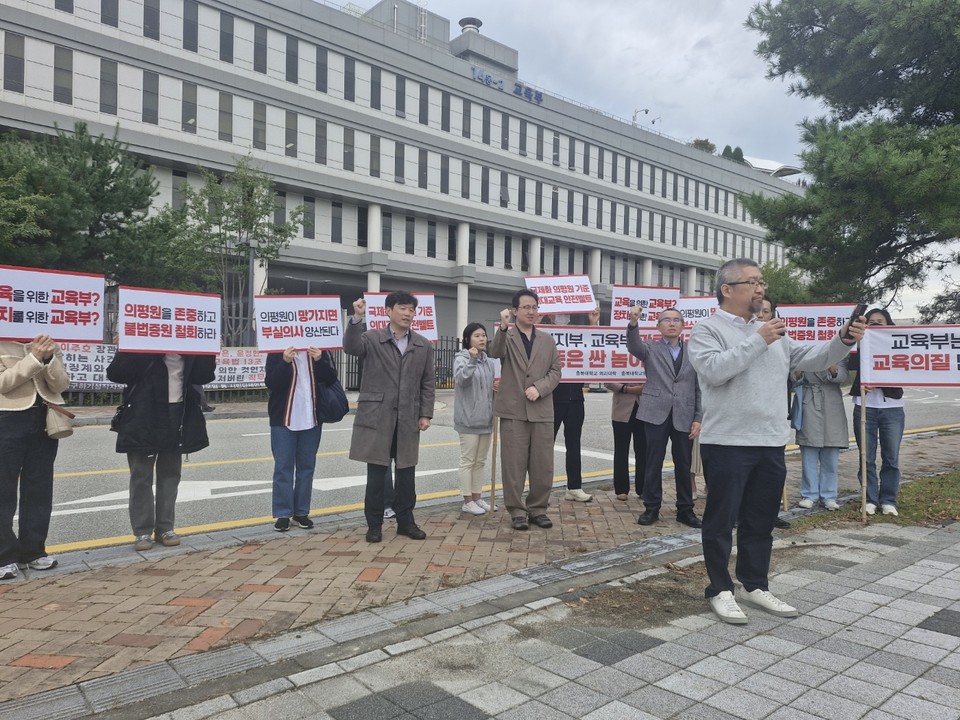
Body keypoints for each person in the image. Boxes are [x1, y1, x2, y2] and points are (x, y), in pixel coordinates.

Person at [688, 258, 863, 624]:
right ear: (727, 289)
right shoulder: (708, 329)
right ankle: (720, 589)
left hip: (770, 440)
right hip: (727, 442)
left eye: (762, 282)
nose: (760, 288)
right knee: (721, 521)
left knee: (760, 519)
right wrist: (758, 339)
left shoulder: (771, 332)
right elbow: (716, 371)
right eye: (752, 282)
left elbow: (813, 358)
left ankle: (754, 584)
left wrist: (842, 339)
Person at [344, 291, 435, 543]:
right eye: (403, 308)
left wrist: (425, 413)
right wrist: (356, 318)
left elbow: (428, 382)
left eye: (411, 309)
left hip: (408, 418)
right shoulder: (372, 338)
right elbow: (351, 347)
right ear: (388, 311)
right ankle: (374, 525)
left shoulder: (422, 344)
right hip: (378, 417)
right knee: (376, 476)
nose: (408, 314)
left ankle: (406, 522)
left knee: (406, 474)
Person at [107, 348, 216, 551]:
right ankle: (142, 532)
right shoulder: (142, 342)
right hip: (143, 414)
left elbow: (204, 376)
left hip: (179, 412)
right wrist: (126, 348)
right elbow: (116, 374)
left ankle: (166, 528)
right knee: (141, 475)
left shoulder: (189, 346)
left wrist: (208, 350)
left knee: (170, 473)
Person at [488, 289, 562, 531]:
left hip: (541, 409)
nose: (531, 312)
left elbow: (555, 372)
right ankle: (517, 511)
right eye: (526, 307)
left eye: (534, 307)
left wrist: (540, 388)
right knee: (513, 465)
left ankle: (538, 509)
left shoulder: (547, 340)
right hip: (513, 411)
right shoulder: (506, 336)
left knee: (543, 464)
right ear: (514, 311)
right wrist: (502, 327)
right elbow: (495, 352)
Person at [626, 306, 703, 528]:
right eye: (666, 320)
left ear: (683, 325)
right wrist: (633, 323)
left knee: (684, 464)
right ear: (658, 326)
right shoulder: (650, 348)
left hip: (685, 414)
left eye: (676, 320)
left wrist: (698, 417)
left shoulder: (694, 352)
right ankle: (651, 508)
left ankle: (685, 510)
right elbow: (634, 345)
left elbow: (699, 388)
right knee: (653, 462)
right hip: (655, 413)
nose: (672, 323)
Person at [0, 334, 70, 578]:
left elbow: (61, 385)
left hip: (44, 419)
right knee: (3, 489)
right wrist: (34, 358)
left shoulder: (49, 343)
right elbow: (3, 383)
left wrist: (49, 357)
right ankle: (4, 556)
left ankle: (34, 551)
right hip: (6, 419)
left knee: (39, 488)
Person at [265, 346, 338, 531]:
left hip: (312, 417)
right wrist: (285, 362)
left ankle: (301, 513)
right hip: (284, 418)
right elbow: (271, 383)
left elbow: (330, 378)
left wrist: (320, 359)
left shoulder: (320, 348)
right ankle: (283, 514)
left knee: (307, 467)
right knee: (283, 467)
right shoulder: (277, 350)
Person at [845, 307, 905, 516]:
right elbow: (849, 366)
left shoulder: (900, 345)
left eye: (881, 321)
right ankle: (869, 499)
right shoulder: (858, 344)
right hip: (865, 406)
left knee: (891, 457)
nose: (877, 325)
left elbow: (908, 371)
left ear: (889, 324)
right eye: (872, 321)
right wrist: (860, 344)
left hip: (892, 409)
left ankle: (888, 499)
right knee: (866, 456)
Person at [548, 308, 600, 503]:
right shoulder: (544, 334)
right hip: (551, 399)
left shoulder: (578, 334)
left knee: (574, 444)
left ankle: (574, 487)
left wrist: (593, 323)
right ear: (551, 315)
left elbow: (596, 346)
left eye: (566, 314)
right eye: (560, 313)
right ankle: (541, 489)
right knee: (545, 447)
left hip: (576, 399)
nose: (564, 316)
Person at [453, 322, 498, 514]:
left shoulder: (489, 362)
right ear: (468, 339)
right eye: (477, 336)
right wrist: (471, 360)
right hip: (469, 420)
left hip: (486, 419)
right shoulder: (461, 359)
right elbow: (462, 380)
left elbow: (490, 386)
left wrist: (495, 388)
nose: (482, 339)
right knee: (468, 461)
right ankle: (467, 500)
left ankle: (478, 498)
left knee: (480, 461)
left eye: (484, 335)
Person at [758, 297, 794, 531]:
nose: (761, 315)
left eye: (766, 311)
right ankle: (742, 514)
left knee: (772, 474)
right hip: (747, 422)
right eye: (758, 310)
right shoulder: (741, 340)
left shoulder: (783, 342)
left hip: (774, 418)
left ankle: (771, 514)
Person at [794, 361, 849, 511]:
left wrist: (830, 361)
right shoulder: (803, 351)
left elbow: (842, 377)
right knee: (809, 452)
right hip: (809, 401)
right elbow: (792, 379)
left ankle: (829, 495)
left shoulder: (838, 352)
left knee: (830, 455)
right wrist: (798, 369)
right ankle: (809, 494)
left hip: (832, 405)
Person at [604, 381, 645, 500]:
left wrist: (643, 388)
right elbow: (608, 381)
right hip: (621, 408)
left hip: (644, 408)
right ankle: (621, 489)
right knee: (621, 451)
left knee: (643, 451)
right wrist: (627, 389)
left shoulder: (648, 361)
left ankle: (643, 488)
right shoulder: (616, 361)